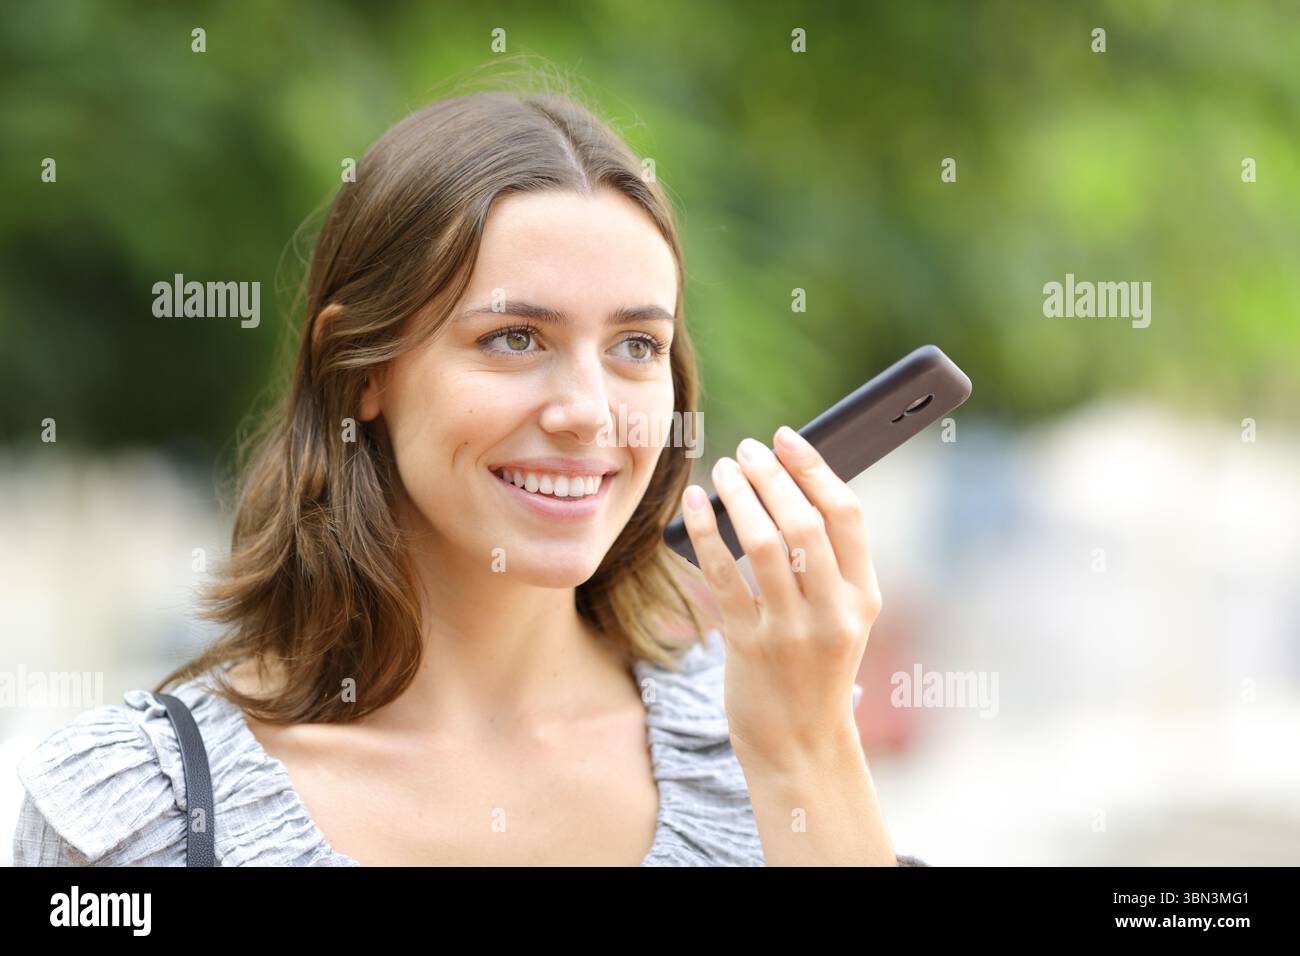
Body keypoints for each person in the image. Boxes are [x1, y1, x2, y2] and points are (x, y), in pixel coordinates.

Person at [13, 75, 925, 867]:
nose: (589, 411)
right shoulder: (140, 815)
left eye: (636, 343)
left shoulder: (769, 748)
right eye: (514, 338)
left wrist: (805, 751)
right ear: (361, 372)